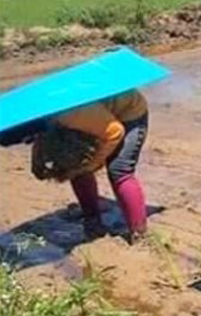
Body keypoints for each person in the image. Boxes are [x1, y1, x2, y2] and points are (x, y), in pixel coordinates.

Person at [0, 90, 151, 242]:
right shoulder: (36, 112)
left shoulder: (69, 114)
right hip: (94, 117)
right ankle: (92, 220)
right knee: (74, 167)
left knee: (119, 170)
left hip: (128, 114)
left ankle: (139, 233)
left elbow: (115, 132)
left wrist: (94, 163)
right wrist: (37, 160)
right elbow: (39, 134)